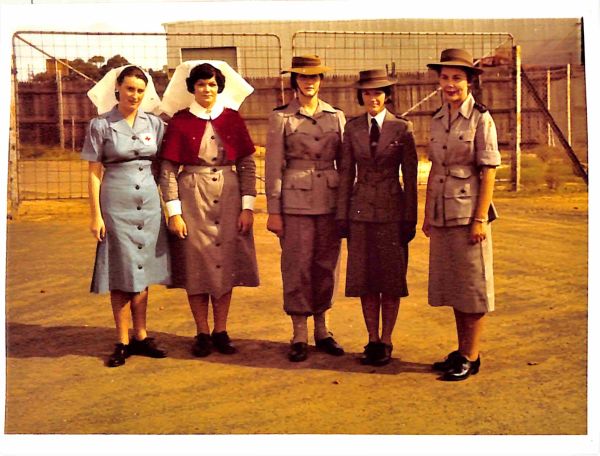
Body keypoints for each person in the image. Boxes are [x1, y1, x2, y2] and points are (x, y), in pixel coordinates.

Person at [158, 61, 259, 358]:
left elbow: (248, 164)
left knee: (225, 264)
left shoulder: (232, 119)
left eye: (212, 84)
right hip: (193, 197)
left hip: (229, 197)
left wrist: (248, 206)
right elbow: (167, 169)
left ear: (220, 88)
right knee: (197, 265)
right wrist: (174, 212)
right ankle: (202, 331)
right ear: (192, 87)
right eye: (201, 84)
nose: (207, 89)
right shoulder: (179, 121)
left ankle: (221, 330)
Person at [82, 65, 170, 368]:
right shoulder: (100, 125)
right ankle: (121, 340)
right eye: (130, 89)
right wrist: (96, 216)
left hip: (148, 205)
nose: (134, 95)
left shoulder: (154, 124)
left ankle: (142, 336)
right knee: (121, 271)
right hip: (115, 205)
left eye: (140, 91)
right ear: (118, 88)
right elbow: (94, 173)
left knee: (142, 269)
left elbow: (162, 167)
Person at [422, 48, 501, 381]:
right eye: (445, 78)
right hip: (442, 213)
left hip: (469, 215)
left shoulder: (482, 118)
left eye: (457, 78)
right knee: (455, 286)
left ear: (469, 81)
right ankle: (461, 350)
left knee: (473, 286)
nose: (450, 84)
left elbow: (489, 171)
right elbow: (435, 169)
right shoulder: (438, 117)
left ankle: (472, 354)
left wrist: (480, 219)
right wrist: (427, 215)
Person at [266, 55, 346, 362]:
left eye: (314, 77)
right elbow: (273, 166)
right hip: (295, 202)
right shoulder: (281, 117)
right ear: (294, 81)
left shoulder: (335, 116)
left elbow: (345, 162)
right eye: (302, 77)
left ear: (321, 81)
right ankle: (299, 332)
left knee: (327, 265)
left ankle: (322, 330)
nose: (309, 82)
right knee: (297, 265)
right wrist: (274, 209)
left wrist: (344, 205)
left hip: (329, 199)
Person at [336, 69, 418, 366]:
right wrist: (342, 215)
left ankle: (387, 340)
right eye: (368, 93)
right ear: (361, 96)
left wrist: (410, 218)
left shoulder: (402, 128)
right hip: (360, 213)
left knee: (391, 280)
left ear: (387, 96)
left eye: (378, 93)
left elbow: (410, 177)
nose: (373, 98)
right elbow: (346, 173)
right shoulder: (353, 128)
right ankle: (371, 339)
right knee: (365, 279)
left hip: (392, 212)